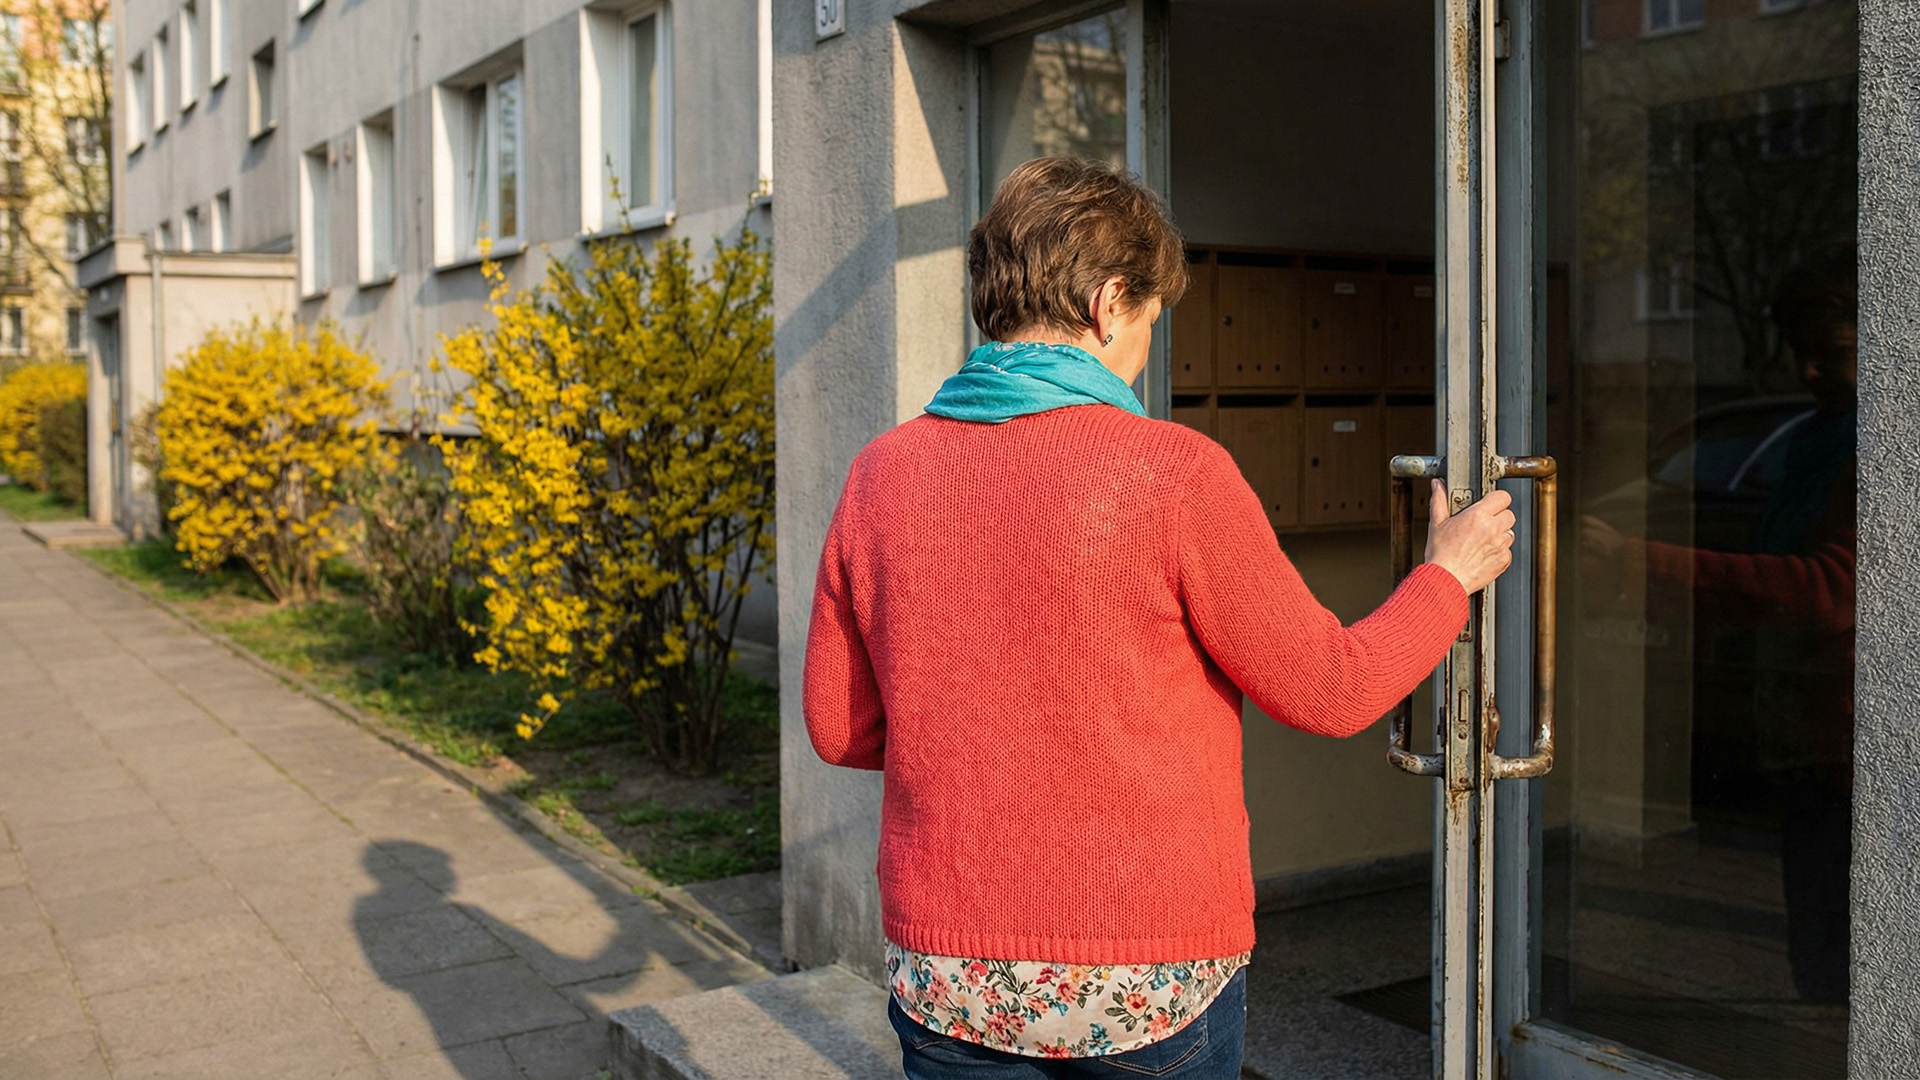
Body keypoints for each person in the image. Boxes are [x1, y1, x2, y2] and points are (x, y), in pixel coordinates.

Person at [802, 156, 1517, 1078]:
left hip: (951, 974)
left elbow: (838, 725)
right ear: (1107, 305)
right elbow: (1334, 690)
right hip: (1146, 974)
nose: (1144, 348)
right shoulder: (1173, 474)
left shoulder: (880, 474)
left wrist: (974, 734)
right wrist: (1446, 577)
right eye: (1147, 320)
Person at [1583, 243, 1857, 1003]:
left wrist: (1646, 560)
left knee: (1840, 941)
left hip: (1847, 730)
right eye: (1799, 353)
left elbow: (1829, 589)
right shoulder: (1814, 439)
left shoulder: (1874, 447)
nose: (1807, 372)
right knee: (1816, 922)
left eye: (1827, 353)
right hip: (1804, 721)